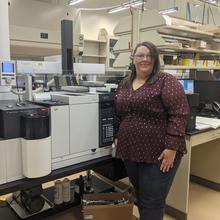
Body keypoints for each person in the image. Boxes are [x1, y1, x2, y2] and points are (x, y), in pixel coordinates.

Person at [113, 41, 189, 220]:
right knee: (140, 195)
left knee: (152, 200)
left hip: (159, 153)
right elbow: (119, 113)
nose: (145, 59)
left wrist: (171, 148)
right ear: (133, 59)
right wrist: (117, 136)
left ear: (155, 59)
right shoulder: (124, 83)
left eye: (149, 55)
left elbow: (179, 114)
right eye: (140, 55)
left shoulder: (166, 81)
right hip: (130, 151)